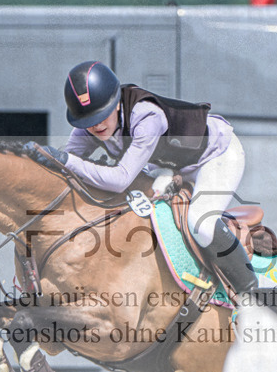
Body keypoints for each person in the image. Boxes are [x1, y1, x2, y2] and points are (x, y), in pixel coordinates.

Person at [25, 60, 258, 295]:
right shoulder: (90, 126)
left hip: (215, 155)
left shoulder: (147, 116)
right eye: (87, 121)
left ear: (116, 103)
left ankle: (250, 293)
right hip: (168, 165)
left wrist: (65, 160)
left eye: (102, 115)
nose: (96, 125)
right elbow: (66, 167)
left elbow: (118, 179)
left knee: (201, 223)